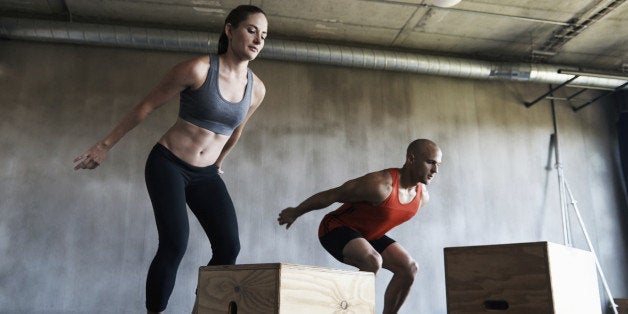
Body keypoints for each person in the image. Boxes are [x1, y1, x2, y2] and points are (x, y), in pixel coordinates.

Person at [73, 5, 268, 313]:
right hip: (169, 165)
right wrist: (105, 145)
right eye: (251, 30)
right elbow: (146, 107)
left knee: (229, 246)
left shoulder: (256, 89)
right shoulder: (197, 69)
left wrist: (218, 164)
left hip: (205, 175)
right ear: (229, 30)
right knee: (175, 242)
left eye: (264, 35)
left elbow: (236, 132)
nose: (258, 40)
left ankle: (203, 308)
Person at [277, 139, 442, 314]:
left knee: (409, 268)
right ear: (411, 159)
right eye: (430, 162)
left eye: (438, 164)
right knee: (372, 261)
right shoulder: (380, 185)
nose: (435, 170)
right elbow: (333, 194)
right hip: (335, 228)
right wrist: (296, 211)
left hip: (370, 235)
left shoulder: (422, 197)